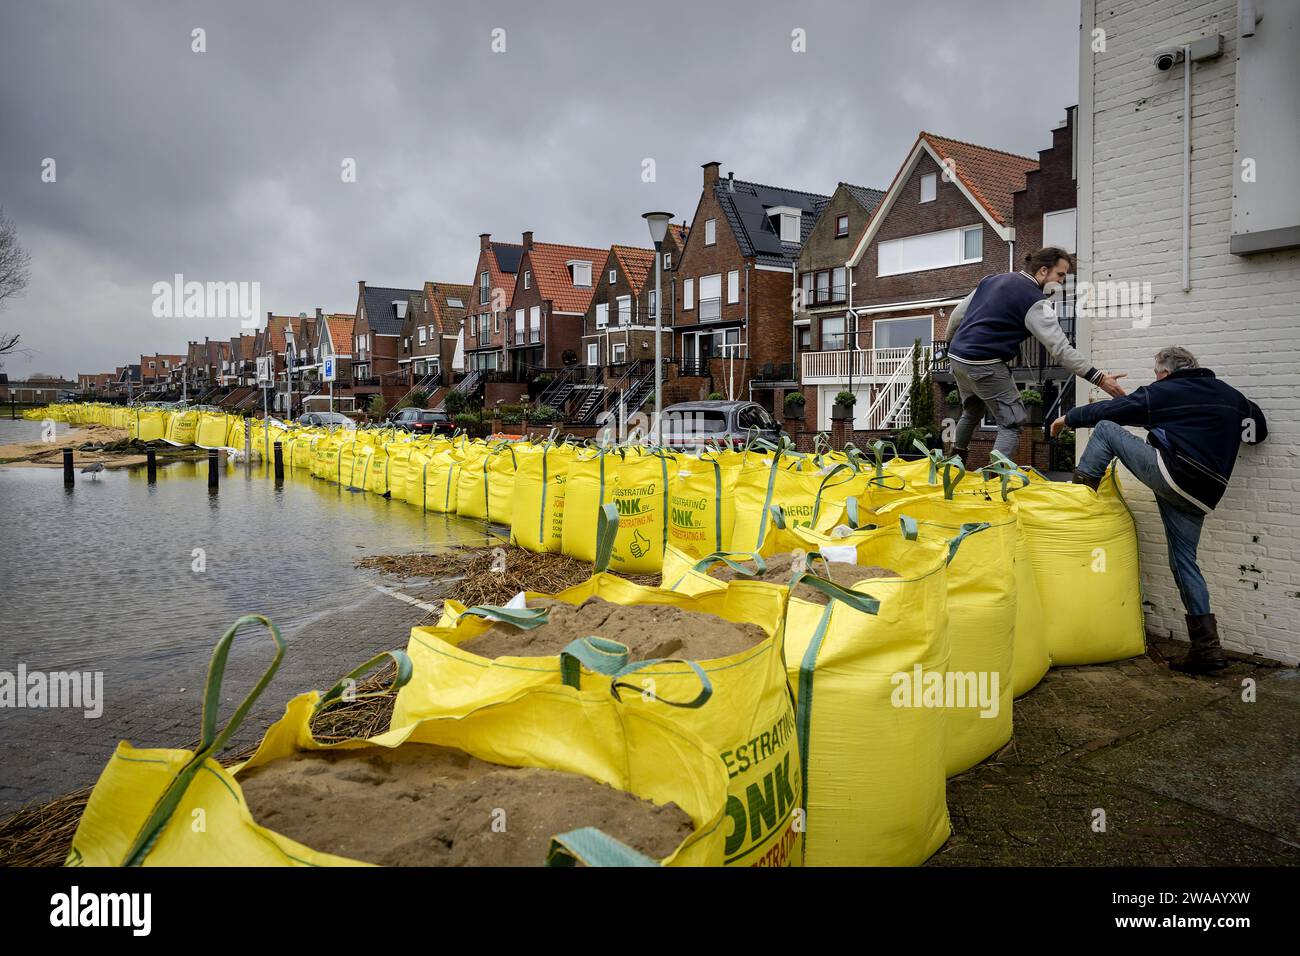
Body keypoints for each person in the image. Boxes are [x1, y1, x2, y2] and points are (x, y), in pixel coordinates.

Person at [1051, 346, 1268, 673]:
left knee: (1108, 431)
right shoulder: (1233, 397)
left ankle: (1075, 508)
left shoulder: (1165, 392)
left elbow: (1116, 409)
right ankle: (1207, 650)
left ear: (1165, 373)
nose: (1156, 380)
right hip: (1204, 494)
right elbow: (1258, 432)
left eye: (1156, 375)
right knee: (1184, 561)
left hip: (1177, 475)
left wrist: (1070, 418)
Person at [944, 247, 1127, 462]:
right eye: (1060, 275)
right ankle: (992, 486)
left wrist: (951, 347)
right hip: (987, 362)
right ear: (1042, 271)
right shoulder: (1035, 300)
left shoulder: (991, 280)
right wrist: (1100, 379)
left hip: (957, 357)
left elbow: (956, 316)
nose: (1060, 282)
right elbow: (1061, 349)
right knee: (1011, 424)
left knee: (972, 411)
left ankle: (953, 466)